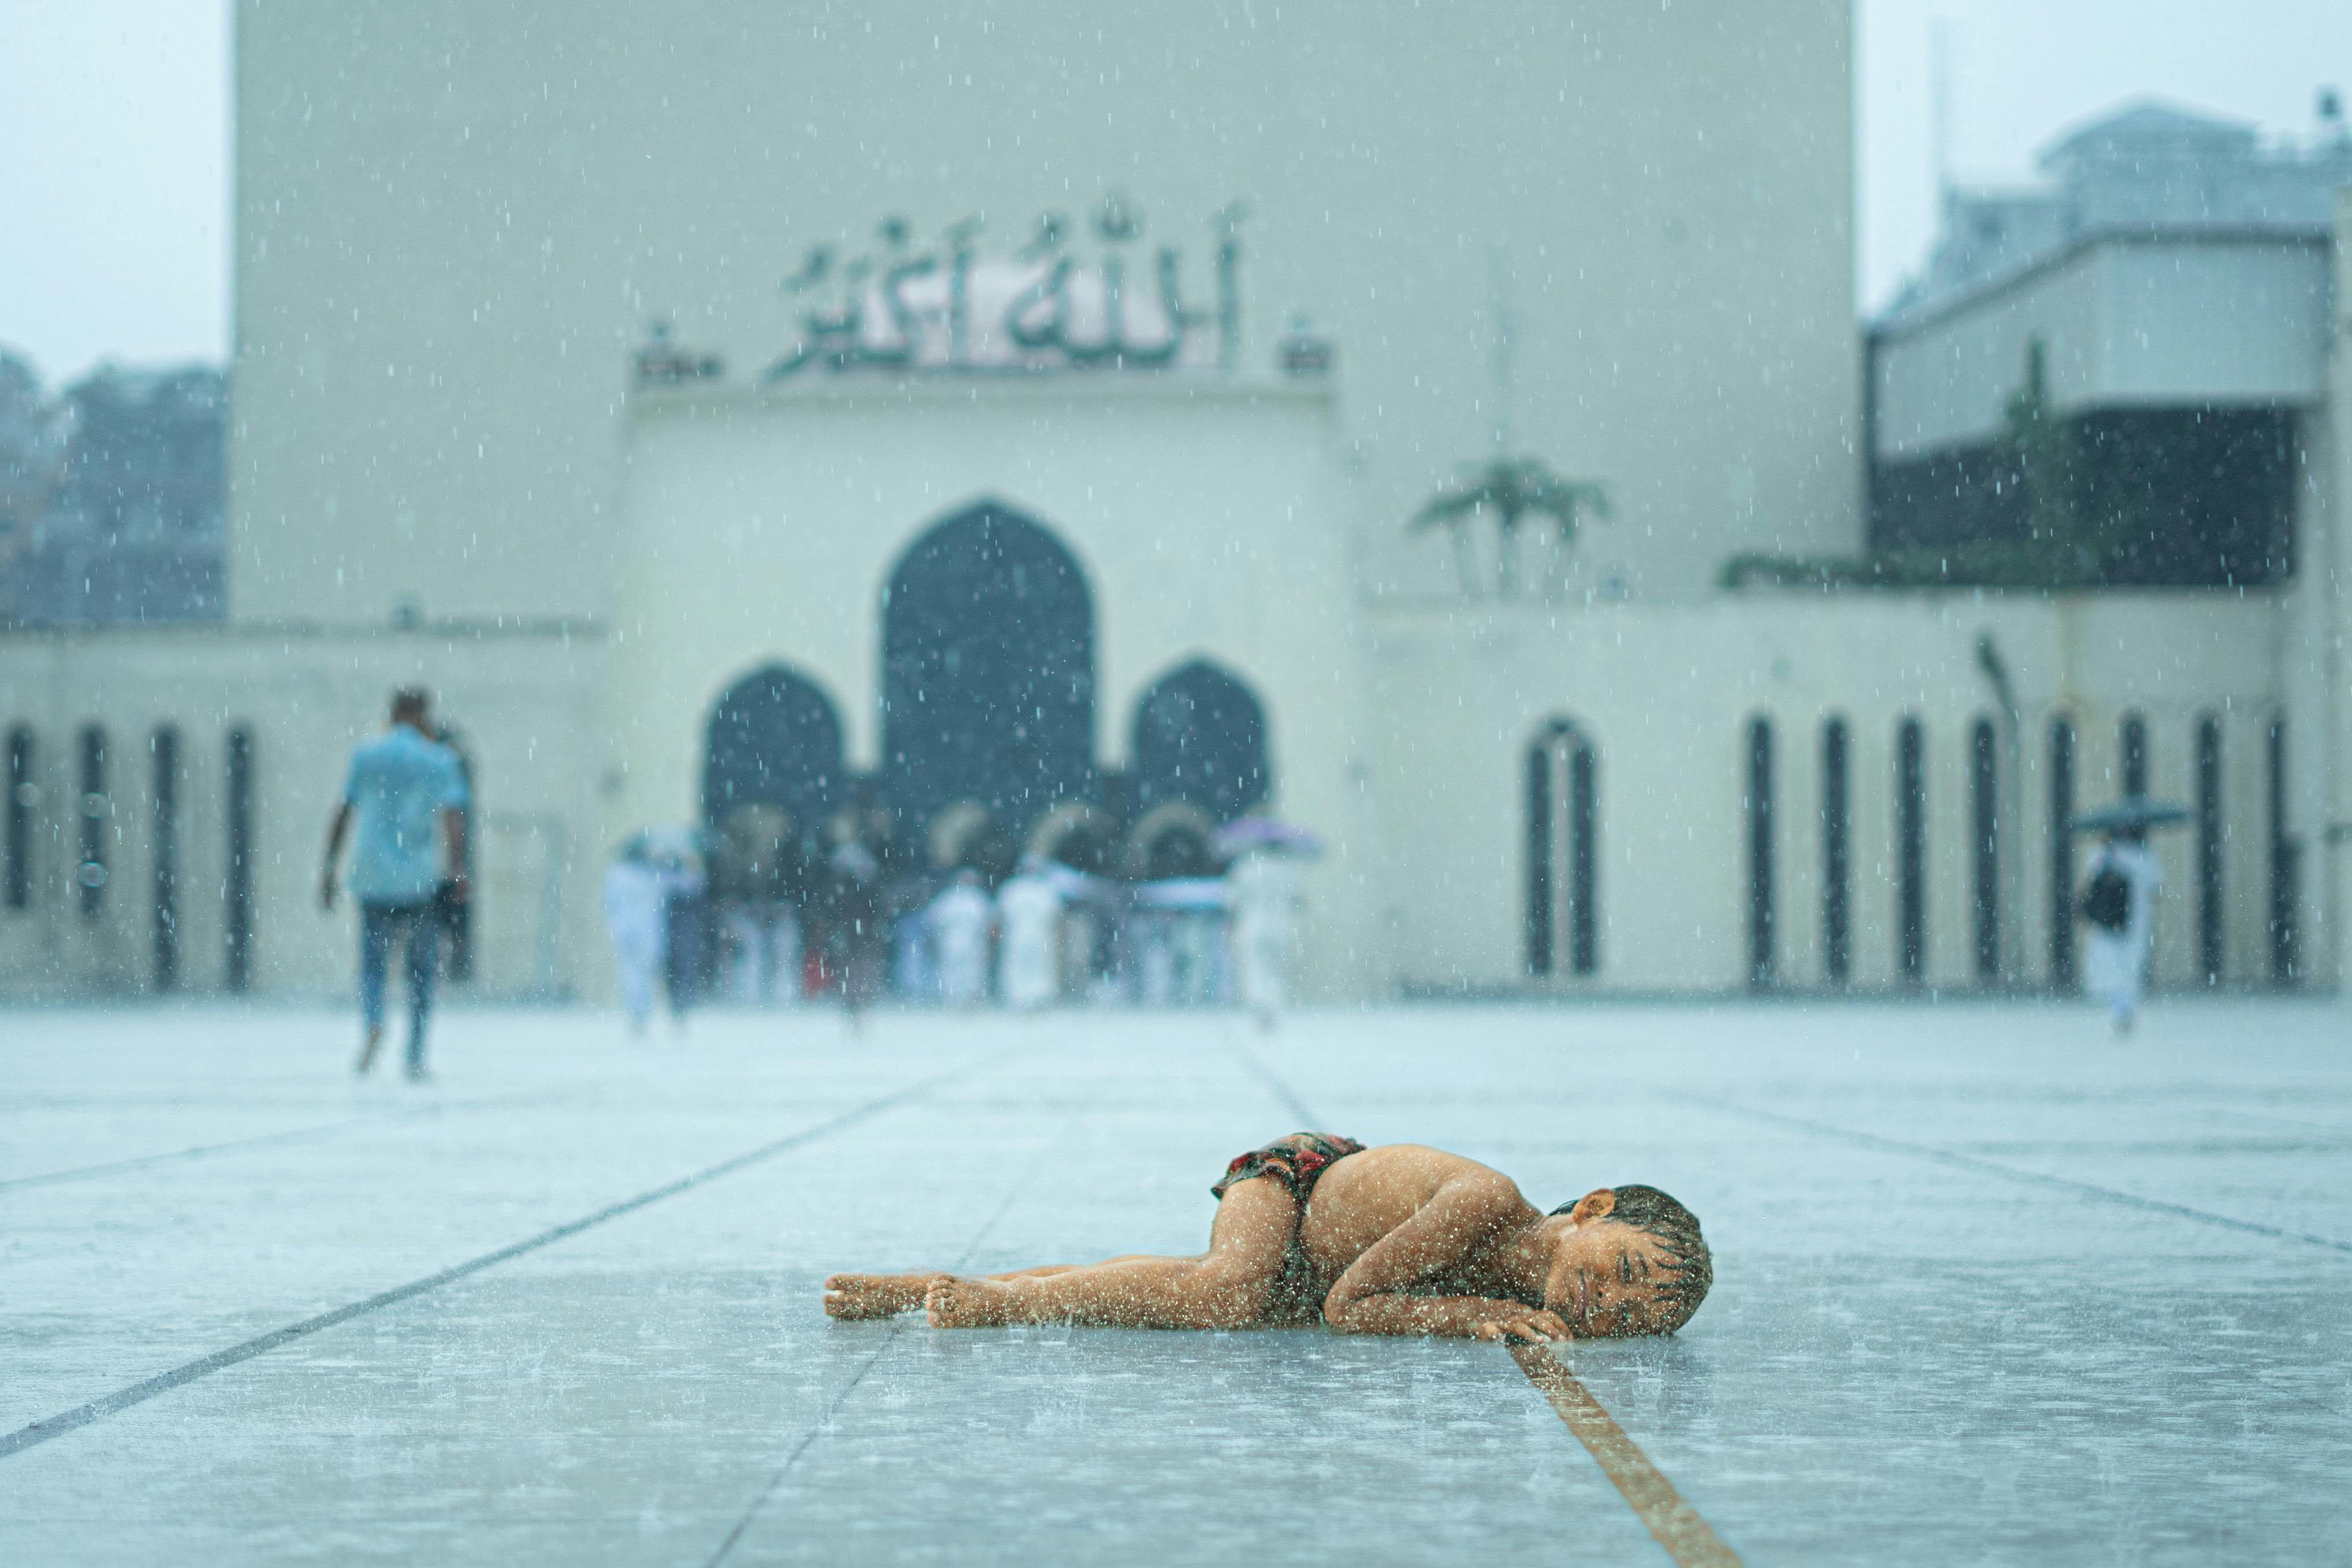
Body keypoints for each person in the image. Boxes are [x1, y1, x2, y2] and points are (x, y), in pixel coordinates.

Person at [823, 1134, 1711, 1341]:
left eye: (1635, 1316)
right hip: (1291, 1184)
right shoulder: (1485, 1201)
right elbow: (1351, 1306)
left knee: (1170, 1282)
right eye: (1625, 1268)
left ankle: (924, 1283)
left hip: (1310, 1265)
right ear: (1590, 1208)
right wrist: (1467, 1316)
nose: (1612, 1302)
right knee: (1225, 1289)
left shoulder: (1530, 1293)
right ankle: (998, 1304)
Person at [319, 687, 469, 1080]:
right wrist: (459, 868)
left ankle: (374, 1021)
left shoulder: (367, 757)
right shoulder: (440, 760)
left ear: (392, 714)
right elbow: (453, 818)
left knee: (373, 965)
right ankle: (415, 1053)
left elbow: (344, 812)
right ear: (423, 715)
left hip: (372, 876)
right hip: (418, 879)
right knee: (421, 971)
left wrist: (329, 868)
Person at [2083, 831, 2162, 1034]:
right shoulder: (2144, 857)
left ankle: (2116, 1008)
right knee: (2130, 967)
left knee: (2108, 966)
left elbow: (2091, 882)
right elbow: (2156, 888)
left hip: (2106, 923)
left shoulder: (2101, 855)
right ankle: (2125, 1009)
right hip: (2135, 921)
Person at [1227, 848, 1301, 1028]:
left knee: (1254, 968)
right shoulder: (1288, 870)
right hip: (1281, 927)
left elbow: (1232, 899)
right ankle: (1274, 1007)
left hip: (1253, 926)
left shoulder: (1246, 869)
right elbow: (1298, 900)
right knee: (1275, 970)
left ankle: (1259, 1006)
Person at [601, 841, 668, 1033]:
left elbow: (608, 902)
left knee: (631, 973)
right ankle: (640, 1013)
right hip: (647, 932)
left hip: (625, 930)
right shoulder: (651, 875)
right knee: (643, 974)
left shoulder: (616, 875)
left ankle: (637, 1013)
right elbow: (686, 885)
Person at [995, 854, 1063, 1009]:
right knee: (1029, 967)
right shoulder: (1044, 890)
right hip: (1030, 937)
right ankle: (1026, 999)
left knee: (1030, 967)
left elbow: (1000, 917)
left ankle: (1029, 999)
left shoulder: (1013, 890)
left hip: (1026, 937)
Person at [928, 868, 994, 1006]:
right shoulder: (955, 899)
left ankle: (966, 1000)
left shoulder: (970, 898)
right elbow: (934, 922)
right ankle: (956, 1000)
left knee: (970, 972)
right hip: (956, 942)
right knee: (957, 972)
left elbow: (934, 921)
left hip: (965, 943)